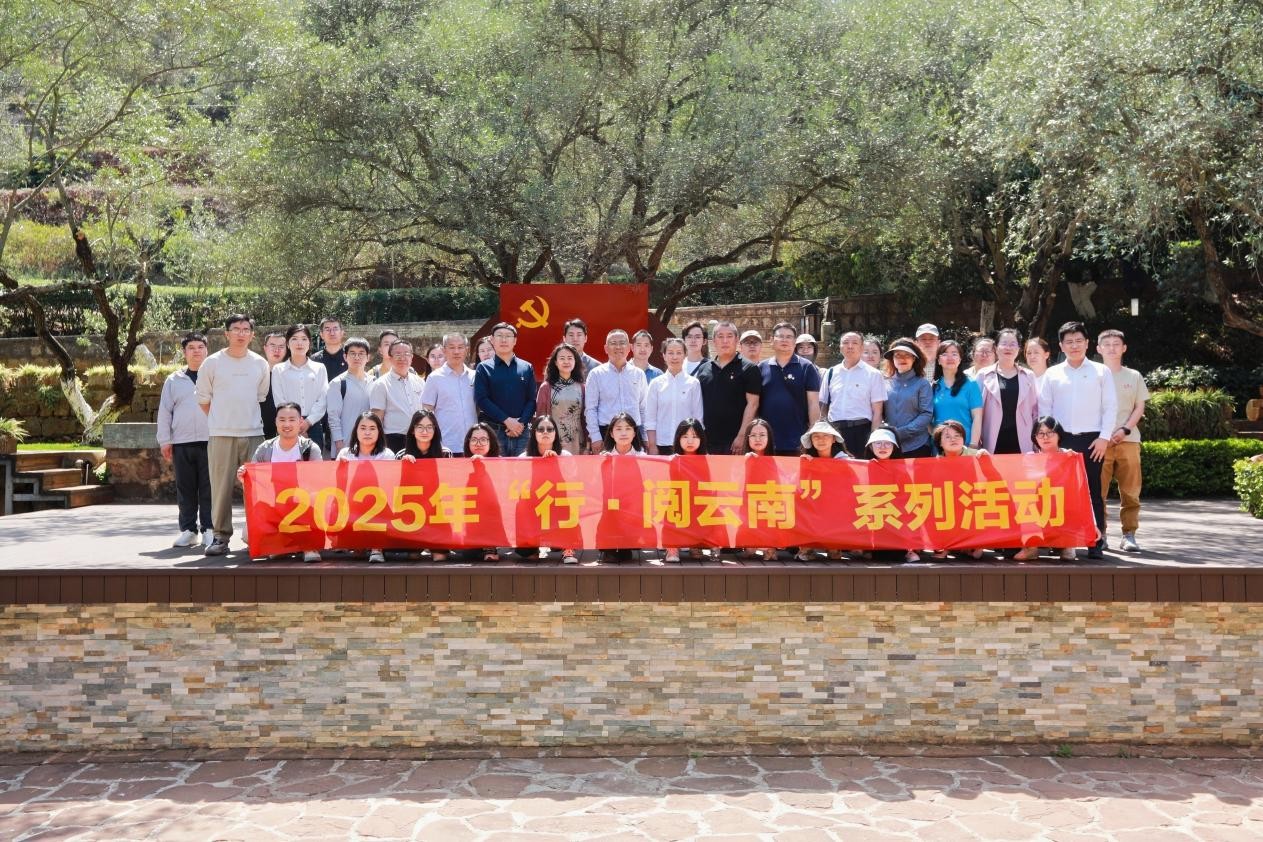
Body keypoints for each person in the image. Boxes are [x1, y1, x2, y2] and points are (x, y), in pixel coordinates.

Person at [1038, 321, 1116, 559]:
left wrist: (1104, 438)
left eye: (1079, 341)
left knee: (1093, 491)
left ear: (1087, 343)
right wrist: (1048, 441)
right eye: (1069, 342)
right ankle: (1060, 540)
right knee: (1058, 492)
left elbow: (1110, 407)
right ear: (1061, 346)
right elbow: (1045, 409)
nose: (1074, 346)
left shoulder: (1101, 371)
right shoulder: (1052, 373)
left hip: (1092, 440)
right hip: (1060, 440)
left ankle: (1095, 541)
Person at [197, 314, 271, 556]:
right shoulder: (212, 363)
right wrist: (220, 421)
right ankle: (220, 536)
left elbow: (260, 397)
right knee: (220, 488)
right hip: (221, 434)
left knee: (258, 489)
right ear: (226, 334)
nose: (241, 333)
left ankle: (259, 536)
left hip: (254, 434)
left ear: (252, 334)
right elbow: (204, 400)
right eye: (236, 329)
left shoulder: (260, 363)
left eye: (246, 329)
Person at [238, 402, 324, 563]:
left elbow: (319, 484)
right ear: (276, 422)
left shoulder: (310, 448)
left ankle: (308, 545)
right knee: (247, 535)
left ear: (300, 421)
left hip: (304, 508)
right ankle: (283, 545)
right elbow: (254, 484)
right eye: (282, 420)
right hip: (274, 509)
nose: (287, 424)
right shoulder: (265, 448)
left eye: (292, 420)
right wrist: (244, 477)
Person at [158, 332, 212, 548]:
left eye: (200, 347)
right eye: (191, 347)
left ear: (207, 350)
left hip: (211, 440)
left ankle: (209, 529)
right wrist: (165, 440)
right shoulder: (174, 380)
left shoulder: (214, 376)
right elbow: (164, 411)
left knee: (209, 488)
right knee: (185, 488)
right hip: (182, 442)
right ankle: (189, 530)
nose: (196, 351)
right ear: (184, 352)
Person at [1097, 329, 1149, 553]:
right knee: (1098, 491)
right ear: (1098, 349)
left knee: (1131, 491)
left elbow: (1139, 406)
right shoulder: (1093, 374)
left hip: (1129, 440)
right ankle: (1100, 534)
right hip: (1100, 442)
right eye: (1106, 344)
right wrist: (1104, 435)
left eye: (1116, 344)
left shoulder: (1133, 375)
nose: (1111, 348)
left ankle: (1129, 534)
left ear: (1124, 348)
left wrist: (1125, 429)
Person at [335, 411, 393, 563]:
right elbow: (336, 486)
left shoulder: (387, 455)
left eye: (372, 428)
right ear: (356, 430)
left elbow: (390, 486)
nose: (367, 432)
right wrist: (340, 469)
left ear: (379, 432)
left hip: (379, 503)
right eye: (363, 428)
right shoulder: (345, 453)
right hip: (351, 502)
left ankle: (377, 548)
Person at [696, 321, 761, 455]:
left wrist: (742, 436)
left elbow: (753, 404)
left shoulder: (749, 368)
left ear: (736, 340)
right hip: (707, 441)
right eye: (720, 336)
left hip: (735, 443)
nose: (725, 341)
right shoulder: (704, 369)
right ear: (713, 341)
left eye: (729, 336)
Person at [520, 414, 578, 564]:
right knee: (528, 556)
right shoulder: (523, 458)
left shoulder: (565, 456)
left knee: (569, 503)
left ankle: (567, 548)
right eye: (540, 429)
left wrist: (555, 463)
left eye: (550, 429)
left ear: (555, 433)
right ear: (534, 433)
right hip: (534, 505)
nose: (545, 432)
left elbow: (573, 484)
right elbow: (519, 487)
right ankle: (532, 546)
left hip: (558, 504)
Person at [757, 322, 822, 455]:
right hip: (766, 441)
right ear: (771, 340)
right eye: (780, 336)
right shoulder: (761, 367)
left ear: (794, 341)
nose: (784, 340)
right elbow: (755, 403)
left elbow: (813, 403)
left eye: (789, 337)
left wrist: (813, 434)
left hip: (798, 440)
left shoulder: (807, 367)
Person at [820, 331, 886, 458]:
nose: (850, 346)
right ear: (840, 347)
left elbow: (877, 412)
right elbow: (823, 408)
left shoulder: (873, 374)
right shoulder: (830, 373)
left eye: (854, 343)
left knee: (862, 470)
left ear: (861, 347)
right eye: (845, 343)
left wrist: (874, 439)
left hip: (862, 432)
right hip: (835, 433)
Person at [474, 322, 537, 457]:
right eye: (499, 336)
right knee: (495, 468)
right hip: (494, 431)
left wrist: (521, 424)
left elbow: (532, 400)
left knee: (523, 468)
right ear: (492, 340)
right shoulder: (483, 368)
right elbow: (482, 399)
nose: (504, 340)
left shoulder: (526, 367)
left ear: (515, 341)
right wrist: (507, 421)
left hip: (522, 432)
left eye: (508, 336)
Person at [584, 329, 648, 453]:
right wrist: (595, 437)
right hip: (605, 432)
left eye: (622, 343)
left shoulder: (638, 374)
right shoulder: (596, 374)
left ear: (629, 347)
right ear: (606, 348)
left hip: (633, 433)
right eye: (613, 343)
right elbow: (591, 409)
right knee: (607, 465)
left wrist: (645, 436)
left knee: (634, 465)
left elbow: (643, 408)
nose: (618, 347)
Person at [977, 328, 1040, 455]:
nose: (1008, 348)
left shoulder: (1028, 375)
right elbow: (976, 411)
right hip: (991, 438)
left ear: (1019, 349)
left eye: (1013, 344)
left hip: (1023, 438)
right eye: (1004, 343)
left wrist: (1036, 441)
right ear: (996, 348)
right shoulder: (983, 375)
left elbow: (1035, 411)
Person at [861, 426, 918, 563]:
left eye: (887, 443)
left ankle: (908, 550)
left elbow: (908, 496)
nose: (883, 447)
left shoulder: (902, 468)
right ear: (870, 447)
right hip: (874, 517)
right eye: (878, 443)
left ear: (894, 447)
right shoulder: (862, 468)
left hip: (896, 517)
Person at [930, 420, 985, 560]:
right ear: (940, 442)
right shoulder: (935, 462)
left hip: (973, 501)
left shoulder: (976, 455)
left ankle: (975, 543)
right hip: (949, 504)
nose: (953, 439)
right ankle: (946, 545)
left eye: (957, 435)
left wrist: (987, 458)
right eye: (947, 436)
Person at [271, 324, 329, 452]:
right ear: (287, 343)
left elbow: (323, 398)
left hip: (313, 425)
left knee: (314, 463)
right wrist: (294, 422)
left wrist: (308, 422)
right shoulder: (278, 370)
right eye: (294, 339)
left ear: (309, 343)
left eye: (304, 339)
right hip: (287, 425)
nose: (299, 343)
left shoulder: (319, 368)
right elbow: (279, 400)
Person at [1028, 415, 1076, 561]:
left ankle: (1067, 545)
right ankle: (1031, 548)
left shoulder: (1069, 457)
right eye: (1040, 433)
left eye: (1050, 432)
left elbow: (1082, 492)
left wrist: (1093, 524)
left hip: (1061, 507)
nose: (1045, 437)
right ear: (1035, 437)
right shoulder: (1029, 457)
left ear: (1059, 434)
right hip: (1038, 507)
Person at [598, 412, 645, 562]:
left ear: (634, 433)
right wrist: (602, 464)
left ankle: (628, 544)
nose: (623, 433)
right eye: (618, 429)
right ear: (611, 433)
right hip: (610, 507)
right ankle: (609, 546)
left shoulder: (643, 458)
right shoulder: (604, 457)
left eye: (628, 428)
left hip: (633, 508)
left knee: (626, 552)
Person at [421, 333, 478, 455]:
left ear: (467, 350)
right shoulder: (434, 378)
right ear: (444, 350)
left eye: (460, 347)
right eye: (451, 347)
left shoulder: (475, 376)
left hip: (474, 445)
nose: (456, 351)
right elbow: (427, 411)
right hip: (446, 444)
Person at [644, 337, 703, 455]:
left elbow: (697, 417)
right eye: (670, 353)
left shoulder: (693, 383)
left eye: (679, 353)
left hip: (687, 445)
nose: (675, 357)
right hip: (661, 444)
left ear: (685, 355)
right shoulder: (656, 384)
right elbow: (650, 418)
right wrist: (652, 445)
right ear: (664, 356)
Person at [662, 419, 706, 563]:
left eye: (695, 436)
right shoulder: (673, 459)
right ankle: (672, 548)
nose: (690, 441)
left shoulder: (707, 459)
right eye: (685, 436)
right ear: (678, 438)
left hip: (698, 502)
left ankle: (696, 544)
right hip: (677, 502)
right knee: (672, 512)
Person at [370, 339, 426, 452]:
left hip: (419, 438)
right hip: (393, 439)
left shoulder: (420, 382)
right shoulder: (381, 384)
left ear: (412, 357)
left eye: (406, 354)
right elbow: (377, 418)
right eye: (398, 354)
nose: (402, 358)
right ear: (390, 358)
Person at [882, 338, 933, 458]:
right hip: (890, 445)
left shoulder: (922, 384)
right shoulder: (885, 382)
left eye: (907, 355)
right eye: (898, 355)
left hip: (917, 445)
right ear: (892, 359)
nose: (902, 359)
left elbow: (926, 414)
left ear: (914, 358)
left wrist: (901, 432)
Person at [536, 343, 587, 456]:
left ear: (575, 361)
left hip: (577, 440)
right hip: (553, 440)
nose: (566, 361)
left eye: (570, 358)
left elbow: (586, 416)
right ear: (555, 362)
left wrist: (588, 442)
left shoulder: (582, 387)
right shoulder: (546, 387)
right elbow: (541, 417)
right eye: (562, 358)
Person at [326, 337, 375, 456]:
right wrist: (339, 445)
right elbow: (333, 417)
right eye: (352, 353)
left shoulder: (375, 382)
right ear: (345, 356)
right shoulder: (338, 383)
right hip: (345, 446)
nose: (357, 357)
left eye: (361, 353)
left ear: (368, 357)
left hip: (371, 445)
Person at [931, 340, 983, 450]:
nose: (950, 357)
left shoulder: (971, 384)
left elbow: (977, 417)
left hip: (965, 445)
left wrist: (973, 444)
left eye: (954, 354)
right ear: (939, 360)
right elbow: (926, 418)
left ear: (960, 359)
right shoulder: (933, 387)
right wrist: (936, 437)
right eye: (945, 354)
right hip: (940, 447)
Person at [463, 422, 503, 563]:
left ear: (491, 442)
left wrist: (484, 465)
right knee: (467, 554)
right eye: (474, 439)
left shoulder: (502, 464)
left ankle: (490, 546)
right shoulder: (461, 465)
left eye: (483, 439)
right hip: (470, 519)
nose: (478, 444)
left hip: (494, 519)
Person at [740, 418, 778, 560]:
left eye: (762, 435)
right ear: (747, 438)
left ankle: (770, 546)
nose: (757, 439)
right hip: (748, 505)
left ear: (769, 438)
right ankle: (750, 545)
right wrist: (745, 462)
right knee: (750, 550)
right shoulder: (742, 459)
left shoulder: (776, 461)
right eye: (753, 435)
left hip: (769, 505)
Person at [258, 331, 287, 439]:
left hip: (287, 428)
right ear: (265, 348)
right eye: (273, 346)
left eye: (281, 346)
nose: (276, 350)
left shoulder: (292, 375)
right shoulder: (257, 374)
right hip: (260, 430)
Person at [311, 317, 348, 381]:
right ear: (321, 334)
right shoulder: (314, 360)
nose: (332, 333)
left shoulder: (350, 358)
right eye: (327, 330)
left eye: (335, 329)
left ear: (342, 333)